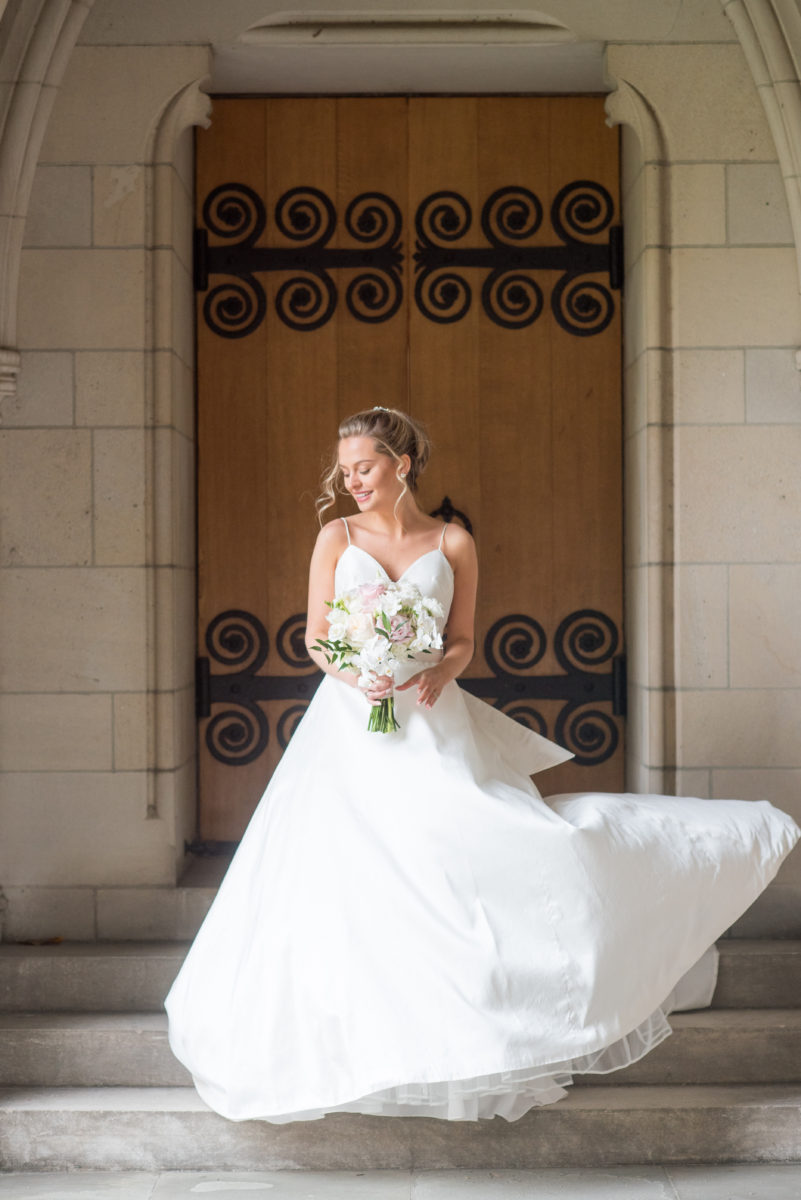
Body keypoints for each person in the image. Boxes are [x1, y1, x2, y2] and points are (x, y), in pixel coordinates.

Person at [165, 405, 800, 1124]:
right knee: (349, 867)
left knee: (482, 850)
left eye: (363, 468)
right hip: (351, 724)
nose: (351, 483)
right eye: (343, 472)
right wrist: (359, 673)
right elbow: (315, 636)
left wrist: (437, 669)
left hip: (434, 718)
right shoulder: (334, 537)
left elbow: (462, 638)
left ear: (400, 465)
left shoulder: (453, 541)